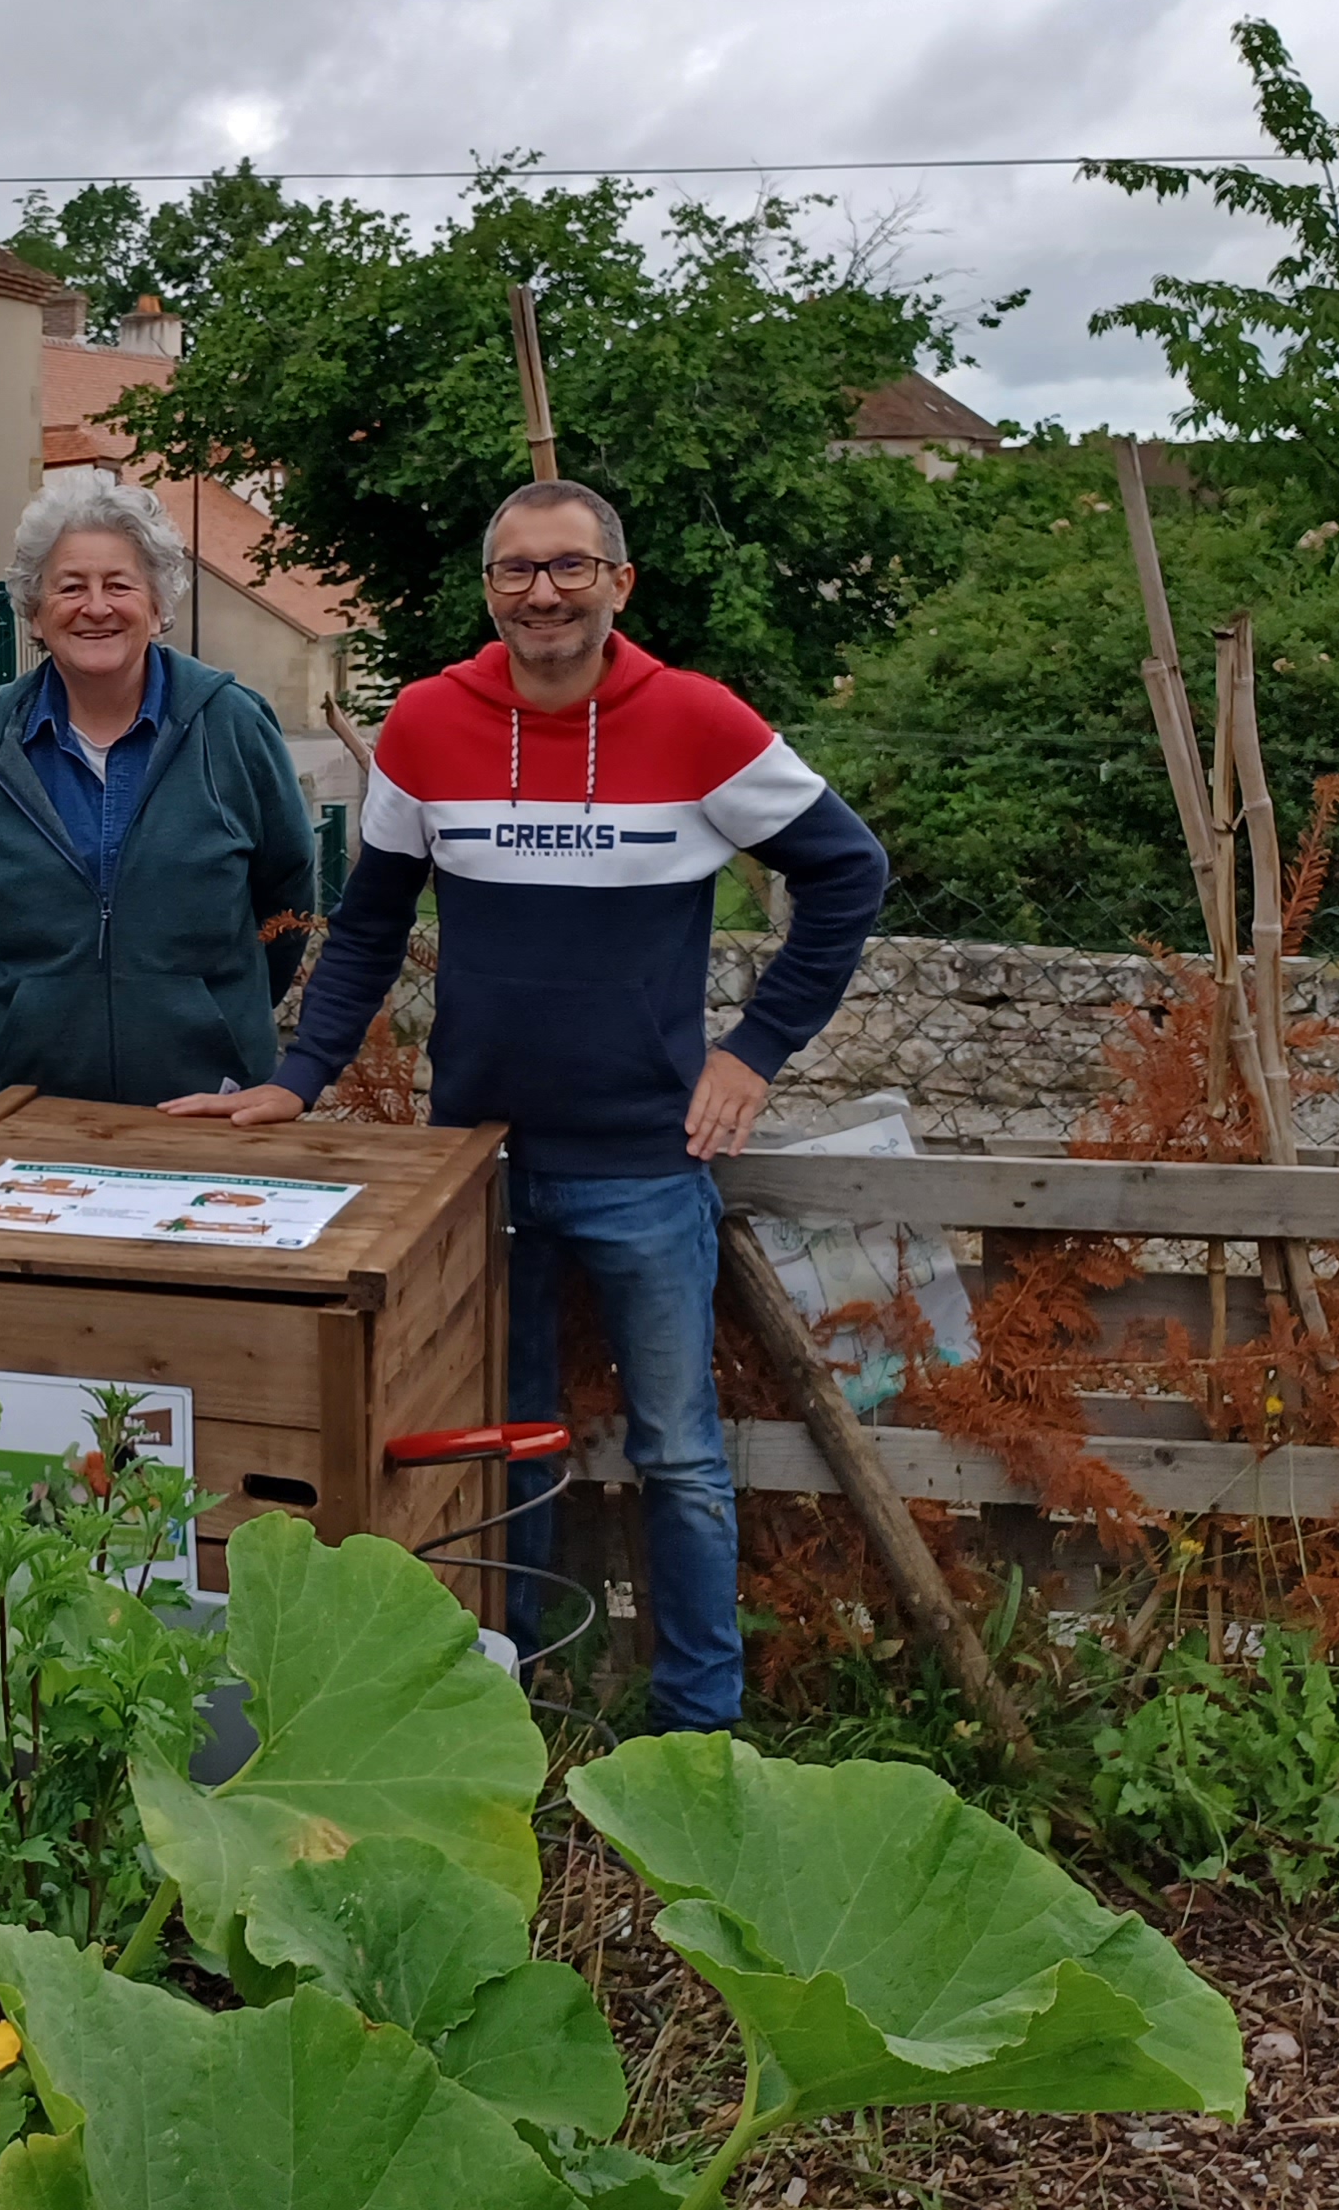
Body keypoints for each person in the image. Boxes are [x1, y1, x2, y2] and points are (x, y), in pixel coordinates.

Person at [170, 479, 888, 1734]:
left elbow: (848, 874)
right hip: (477, 1160)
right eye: (515, 570)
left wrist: (754, 1051)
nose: (541, 592)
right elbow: (373, 922)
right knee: (501, 1445)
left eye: (568, 567)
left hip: (644, 1162)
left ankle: (695, 1736)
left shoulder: (698, 722)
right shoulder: (432, 724)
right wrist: (297, 1076)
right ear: (489, 588)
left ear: (619, 582)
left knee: (678, 1456)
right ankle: (510, 1709)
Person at [0, 483, 316, 1107]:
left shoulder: (232, 726)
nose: (95, 607)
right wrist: (41, 999)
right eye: (69, 587)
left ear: (159, 604)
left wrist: (214, 1007)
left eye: (119, 585)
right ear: (34, 610)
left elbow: (287, 895)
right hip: (35, 1102)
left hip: (209, 1102)